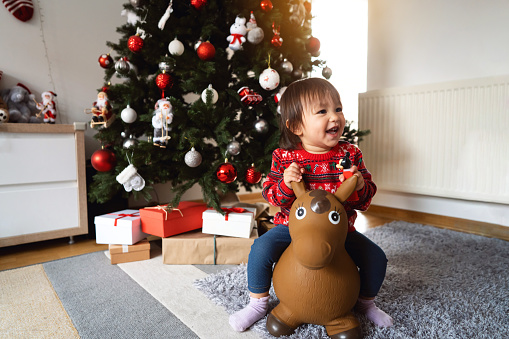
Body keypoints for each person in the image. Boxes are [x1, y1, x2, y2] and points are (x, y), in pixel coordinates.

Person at [229, 78, 393, 332]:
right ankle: (258, 303)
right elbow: (271, 196)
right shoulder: (284, 157)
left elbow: (366, 200)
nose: (335, 117)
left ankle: (365, 303)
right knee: (261, 249)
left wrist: (359, 186)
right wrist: (285, 183)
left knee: (376, 257)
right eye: (322, 111)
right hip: (291, 229)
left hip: (339, 232)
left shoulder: (350, 154)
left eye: (338, 109)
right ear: (296, 126)